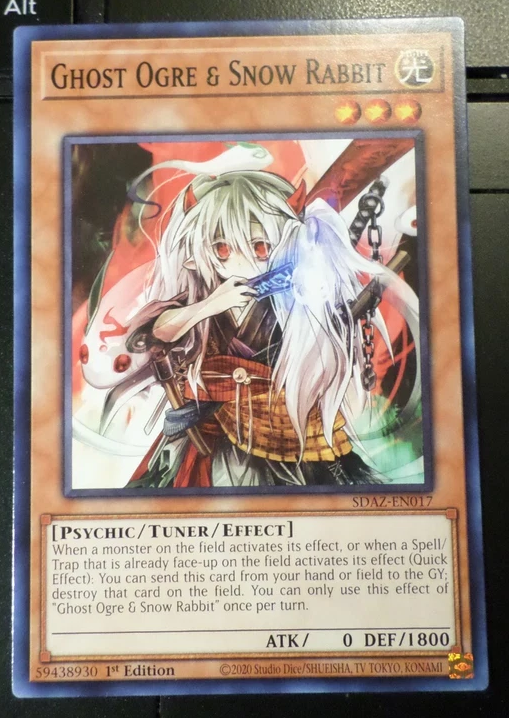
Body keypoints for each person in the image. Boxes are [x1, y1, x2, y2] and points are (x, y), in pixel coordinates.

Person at [123, 169, 419, 488]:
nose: (242, 260)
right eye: (222, 248)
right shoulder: (201, 297)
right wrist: (210, 305)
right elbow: (151, 336)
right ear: (199, 253)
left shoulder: (297, 299)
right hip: (214, 437)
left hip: (287, 439)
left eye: (260, 246)